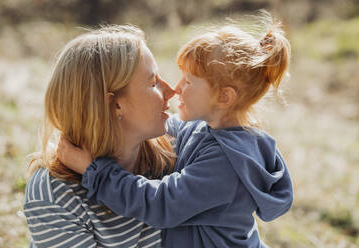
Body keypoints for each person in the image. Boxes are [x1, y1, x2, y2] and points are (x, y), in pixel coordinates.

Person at [58, 13, 294, 248]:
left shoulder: (226, 163)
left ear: (224, 97)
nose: (176, 88)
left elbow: (160, 204)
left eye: (188, 81)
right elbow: (168, 126)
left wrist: (95, 172)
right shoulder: (207, 129)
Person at [23, 25, 177, 247]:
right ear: (114, 105)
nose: (170, 90)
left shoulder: (174, 157)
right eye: (153, 83)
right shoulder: (55, 192)